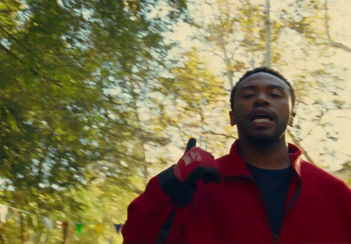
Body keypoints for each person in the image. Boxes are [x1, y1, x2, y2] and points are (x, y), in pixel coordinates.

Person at [122, 67, 351, 244]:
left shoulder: (336, 193)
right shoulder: (195, 186)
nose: (261, 99)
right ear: (232, 117)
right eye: (249, 94)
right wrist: (171, 184)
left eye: (275, 94)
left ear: (292, 116)